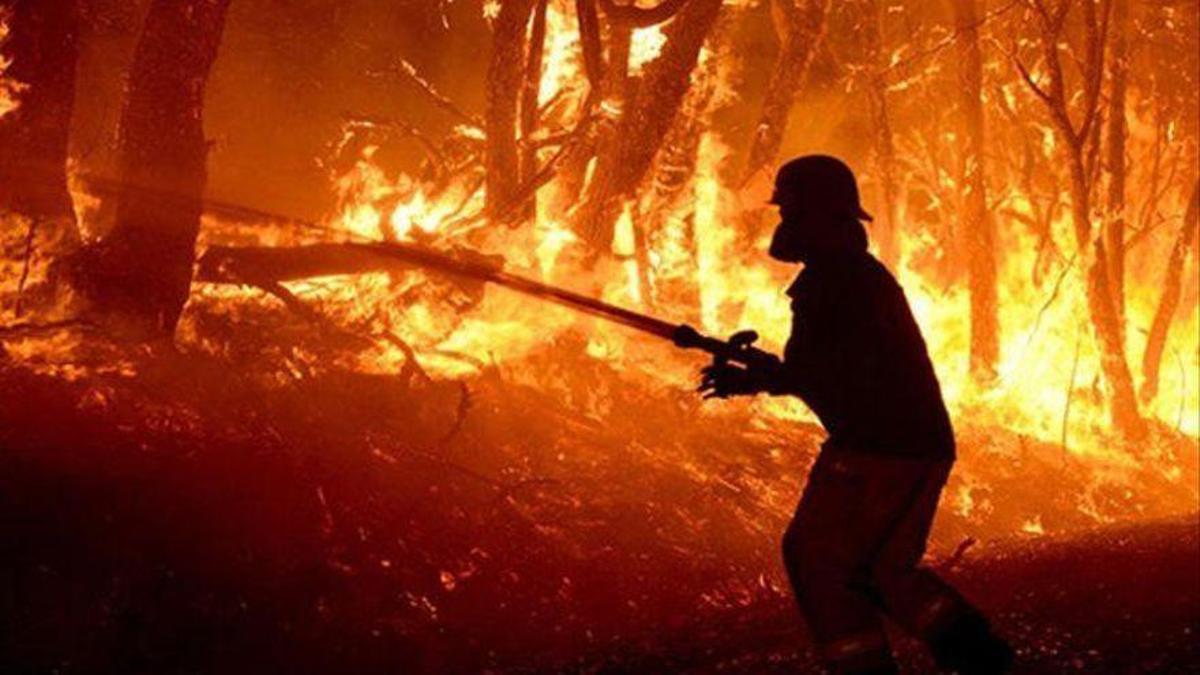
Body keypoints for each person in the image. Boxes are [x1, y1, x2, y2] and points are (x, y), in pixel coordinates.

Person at [698, 155, 1014, 675]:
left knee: (816, 560)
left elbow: (816, 372)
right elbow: (825, 369)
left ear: (824, 216)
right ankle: (980, 656)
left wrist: (753, 376)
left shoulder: (836, 281)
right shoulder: (850, 275)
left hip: (879, 450)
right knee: (883, 571)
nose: (786, 225)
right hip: (905, 444)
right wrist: (760, 373)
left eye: (794, 212)